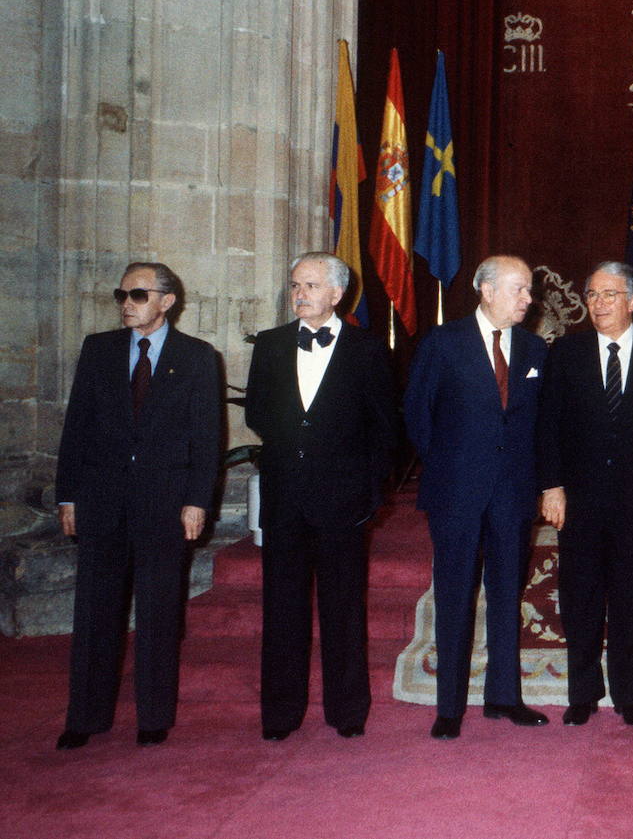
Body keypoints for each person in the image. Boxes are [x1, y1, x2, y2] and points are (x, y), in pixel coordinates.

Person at [54, 262, 221, 749]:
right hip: (102, 500)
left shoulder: (197, 357)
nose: (127, 303)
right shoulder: (98, 350)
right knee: (94, 611)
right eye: (122, 294)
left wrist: (196, 502)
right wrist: (69, 495)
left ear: (167, 301)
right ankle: (84, 717)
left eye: (139, 295)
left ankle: (153, 716)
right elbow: (76, 428)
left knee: (159, 610)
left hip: (164, 504)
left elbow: (206, 439)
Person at [244, 252, 398, 741]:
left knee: (343, 609)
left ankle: (348, 711)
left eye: (310, 286)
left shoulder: (368, 351)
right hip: (286, 497)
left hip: (343, 502)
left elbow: (387, 431)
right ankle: (281, 714)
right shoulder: (268, 346)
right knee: (282, 609)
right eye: (295, 285)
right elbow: (256, 415)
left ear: (337, 294)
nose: (299, 294)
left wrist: (371, 494)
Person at [404, 255, 549, 739]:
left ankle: (504, 697)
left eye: (529, 290)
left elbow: (539, 424)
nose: (529, 299)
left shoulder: (534, 349)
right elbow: (417, 415)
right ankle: (450, 706)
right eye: (520, 289)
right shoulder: (443, 343)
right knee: (454, 596)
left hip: (513, 493)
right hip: (455, 492)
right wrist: (451, 466)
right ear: (486, 290)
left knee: (508, 594)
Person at [537, 261, 633, 727]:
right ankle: (582, 693)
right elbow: (549, 425)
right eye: (592, 295)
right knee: (578, 595)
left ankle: (629, 694)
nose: (597, 304)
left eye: (609, 295)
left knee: (630, 595)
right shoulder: (566, 352)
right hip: (578, 499)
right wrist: (552, 485)